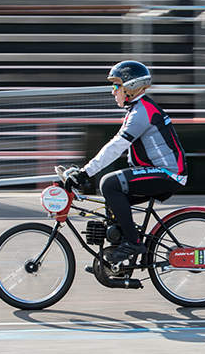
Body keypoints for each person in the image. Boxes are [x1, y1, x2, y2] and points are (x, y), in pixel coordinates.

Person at [64, 61, 188, 262]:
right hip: (158, 171)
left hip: (168, 173)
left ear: (130, 87)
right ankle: (115, 261)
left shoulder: (142, 112)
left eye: (116, 86)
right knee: (112, 202)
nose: (113, 92)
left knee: (109, 184)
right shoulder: (137, 109)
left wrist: (85, 172)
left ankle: (133, 243)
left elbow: (115, 147)